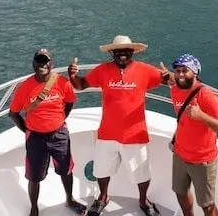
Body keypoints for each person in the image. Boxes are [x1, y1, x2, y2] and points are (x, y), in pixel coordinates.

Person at [68, 35, 173, 216]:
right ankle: (103, 197)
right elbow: (81, 84)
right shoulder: (103, 70)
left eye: (126, 51)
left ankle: (143, 200)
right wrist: (72, 76)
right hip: (107, 132)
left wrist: (168, 75)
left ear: (132, 52)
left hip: (135, 133)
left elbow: (169, 80)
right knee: (101, 170)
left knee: (141, 172)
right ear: (112, 53)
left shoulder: (144, 70)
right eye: (118, 51)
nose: (122, 54)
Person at [9, 49, 86, 216]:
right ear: (33, 64)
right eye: (39, 61)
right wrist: (28, 130)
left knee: (66, 170)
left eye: (46, 61)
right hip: (36, 138)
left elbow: (70, 102)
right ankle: (34, 208)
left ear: (52, 64)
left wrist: (59, 120)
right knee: (34, 176)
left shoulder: (62, 83)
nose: (42, 64)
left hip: (59, 135)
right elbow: (13, 113)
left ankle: (70, 199)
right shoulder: (25, 88)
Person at [169, 54, 218, 216]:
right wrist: (167, 75)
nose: (180, 74)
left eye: (185, 71)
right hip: (180, 154)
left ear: (195, 73)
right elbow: (175, 81)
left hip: (202, 160)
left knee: (207, 204)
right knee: (180, 192)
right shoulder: (175, 89)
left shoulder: (206, 96)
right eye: (177, 71)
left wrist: (201, 116)